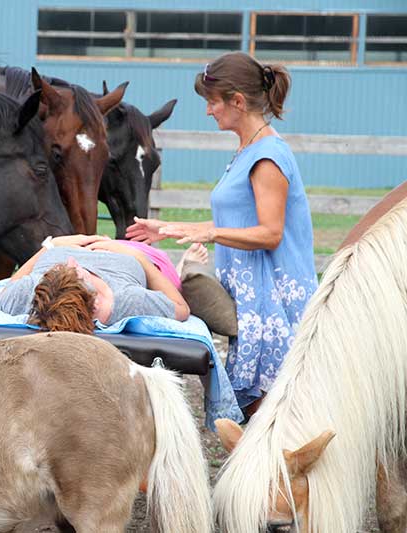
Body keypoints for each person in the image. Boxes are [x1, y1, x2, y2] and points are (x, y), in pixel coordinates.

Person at [126, 52, 318, 418]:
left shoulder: (267, 157)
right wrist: (165, 228)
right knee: (262, 418)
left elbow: (271, 233)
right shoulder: (249, 149)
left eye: (212, 102)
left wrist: (207, 231)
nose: (208, 111)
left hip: (273, 306)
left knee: (275, 417)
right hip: (251, 302)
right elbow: (242, 216)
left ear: (238, 102)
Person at [0, 234, 196, 334]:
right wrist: (140, 259)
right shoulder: (130, 300)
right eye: (79, 273)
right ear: (96, 303)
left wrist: (50, 246)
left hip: (64, 244)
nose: (72, 261)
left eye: (58, 269)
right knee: (166, 264)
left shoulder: (27, 294)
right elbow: (181, 308)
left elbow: (4, 291)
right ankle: (186, 261)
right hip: (126, 250)